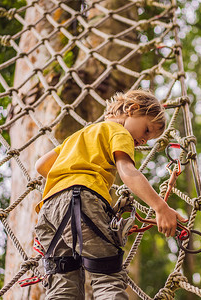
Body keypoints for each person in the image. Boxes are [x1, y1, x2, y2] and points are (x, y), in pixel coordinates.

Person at [34, 90, 186, 299]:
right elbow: (127, 172)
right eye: (147, 130)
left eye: (149, 138)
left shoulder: (79, 136)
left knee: (62, 287)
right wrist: (160, 207)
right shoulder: (119, 132)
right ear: (132, 109)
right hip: (80, 201)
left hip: (48, 211)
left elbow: (41, 165)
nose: (143, 140)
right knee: (108, 278)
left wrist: (68, 175)